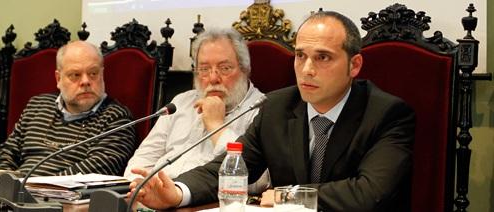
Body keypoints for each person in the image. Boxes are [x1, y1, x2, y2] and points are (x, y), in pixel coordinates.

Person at [129, 10, 415, 212]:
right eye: (300, 56)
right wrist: (177, 193)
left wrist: (287, 195)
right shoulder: (277, 107)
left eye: (323, 58)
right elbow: (229, 166)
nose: (307, 70)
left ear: (354, 66)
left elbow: (368, 194)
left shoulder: (388, 114)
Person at [124, 28, 269, 193]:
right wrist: (139, 187)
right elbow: (140, 161)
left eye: (225, 68)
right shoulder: (181, 103)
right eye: (204, 69)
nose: (213, 78)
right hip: (156, 198)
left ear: (245, 69)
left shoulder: (262, 110)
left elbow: (260, 181)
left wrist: (216, 126)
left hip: (205, 201)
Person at [0, 41, 137, 177]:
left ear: (102, 75)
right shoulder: (38, 105)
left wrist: (26, 188)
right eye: (75, 75)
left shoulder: (117, 118)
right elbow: (5, 153)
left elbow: (91, 175)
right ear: (58, 79)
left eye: (93, 73)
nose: (85, 81)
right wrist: (3, 183)